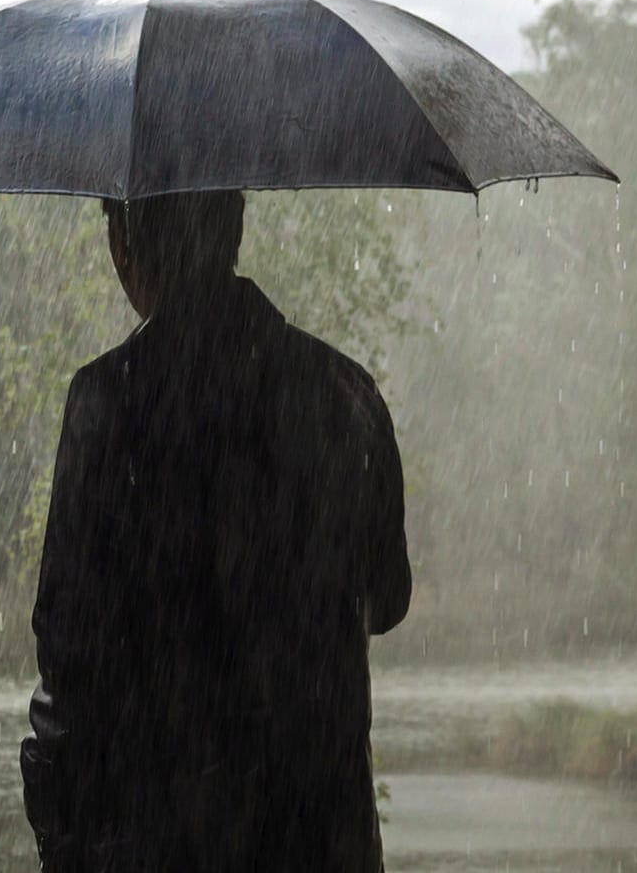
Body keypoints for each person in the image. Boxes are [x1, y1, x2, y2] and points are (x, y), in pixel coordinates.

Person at [20, 191, 412, 872]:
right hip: (322, 837)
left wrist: (63, 838)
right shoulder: (343, 392)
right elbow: (388, 600)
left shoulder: (108, 401)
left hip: (154, 842)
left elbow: (68, 647)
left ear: (125, 244)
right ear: (233, 227)